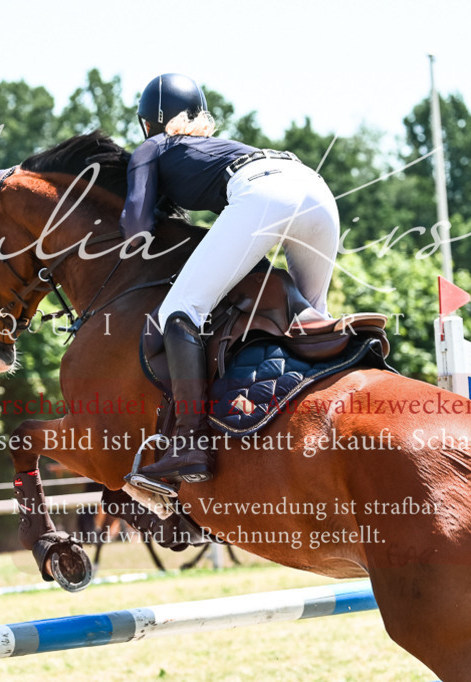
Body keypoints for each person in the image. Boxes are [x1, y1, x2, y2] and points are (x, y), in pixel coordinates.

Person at [121, 73, 341, 489]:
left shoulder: (152, 147)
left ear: (147, 121)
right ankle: (322, 419)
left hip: (264, 194)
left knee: (180, 312)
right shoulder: (213, 146)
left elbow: (136, 226)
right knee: (313, 319)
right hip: (315, 189)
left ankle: (188, 442)